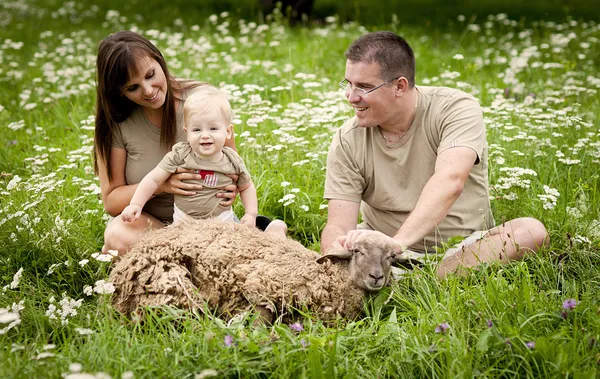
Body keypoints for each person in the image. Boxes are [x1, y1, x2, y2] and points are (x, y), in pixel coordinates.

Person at [321, 31, 549, 278]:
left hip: (463, 248)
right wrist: (337, 261)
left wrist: (396, 245)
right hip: (379, 256)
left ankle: (424, 279)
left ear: (399, 86)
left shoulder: (455, 109)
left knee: (531, 231)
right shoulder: (348, 138)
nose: (351, 97)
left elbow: (450, 180)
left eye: (364, 87)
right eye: (349, 84)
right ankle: (401, 278)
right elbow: (338, 225)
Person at [94, 31, 285, 254]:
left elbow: (232, 169)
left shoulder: (202, 102)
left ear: (159, 60)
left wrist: (235, 194)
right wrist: (164, 184)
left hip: (211, 223)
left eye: (150, 75)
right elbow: (111, 202)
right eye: (132, 88)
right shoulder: (116, 122)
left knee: (221, 249)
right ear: (118, 92)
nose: (148, 91)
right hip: (154, 228)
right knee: (117, 236)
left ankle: (259, 238)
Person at [121, 87, 258, 227]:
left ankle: (273, 229)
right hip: (183, 222)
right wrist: (136, 204)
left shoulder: (232, 160)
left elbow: (246, 186)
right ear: (187, 133)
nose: (205, 135)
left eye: (213, 128)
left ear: (228, 131)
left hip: (222, 221)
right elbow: (153, 179)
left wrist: (250, 214)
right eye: (197, 129)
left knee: (235, 244)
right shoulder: (181, 154)